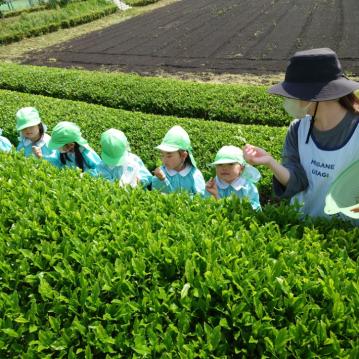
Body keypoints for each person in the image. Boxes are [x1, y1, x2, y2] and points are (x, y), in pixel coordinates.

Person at [243, 48, 359, 218]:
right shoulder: (298, 129)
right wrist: (270, 162)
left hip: (344, 234)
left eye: (294, 94)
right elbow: (298, 182)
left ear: (316, 95)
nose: (290, 99)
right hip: (303, 226)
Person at [152, 125, 205, 195]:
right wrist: (161, 180)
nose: (164, 160)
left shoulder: (194, 175)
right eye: (162, 155)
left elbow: (201, 198)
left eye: (169, 155)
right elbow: (155, 194)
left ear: (183, 155)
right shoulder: (161, 173)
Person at [205, 145, 261, 210]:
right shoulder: (212, 186)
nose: (224, 168)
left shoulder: (248, 187)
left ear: (241, 168)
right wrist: (215, 195)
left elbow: (256, 210)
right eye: (220, 164)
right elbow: (208, 208)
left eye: (231, 164)